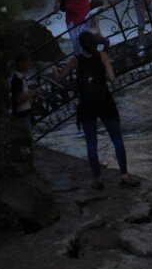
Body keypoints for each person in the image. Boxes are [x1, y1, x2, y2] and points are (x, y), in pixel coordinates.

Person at [59, 30, 140, 189]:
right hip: (104, 100)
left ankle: (98, 179)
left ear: (80, 44)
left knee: (91, 141)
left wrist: (56, 73)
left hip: (87, 104)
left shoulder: (75, 60)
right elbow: (111, 77)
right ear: (94, 42)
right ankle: (124, 175)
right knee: (116, 137)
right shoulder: (102, 56)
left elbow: (61, 77)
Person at [10, 52, 40, 135]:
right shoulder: (18, 79)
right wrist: (33, 93)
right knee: (27, 136)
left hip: (24, 112)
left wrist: (29, 92)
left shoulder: (20, 77)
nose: (29, 64)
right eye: (28, 62)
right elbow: (19, 99)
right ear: (20, 64)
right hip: (22, 114)